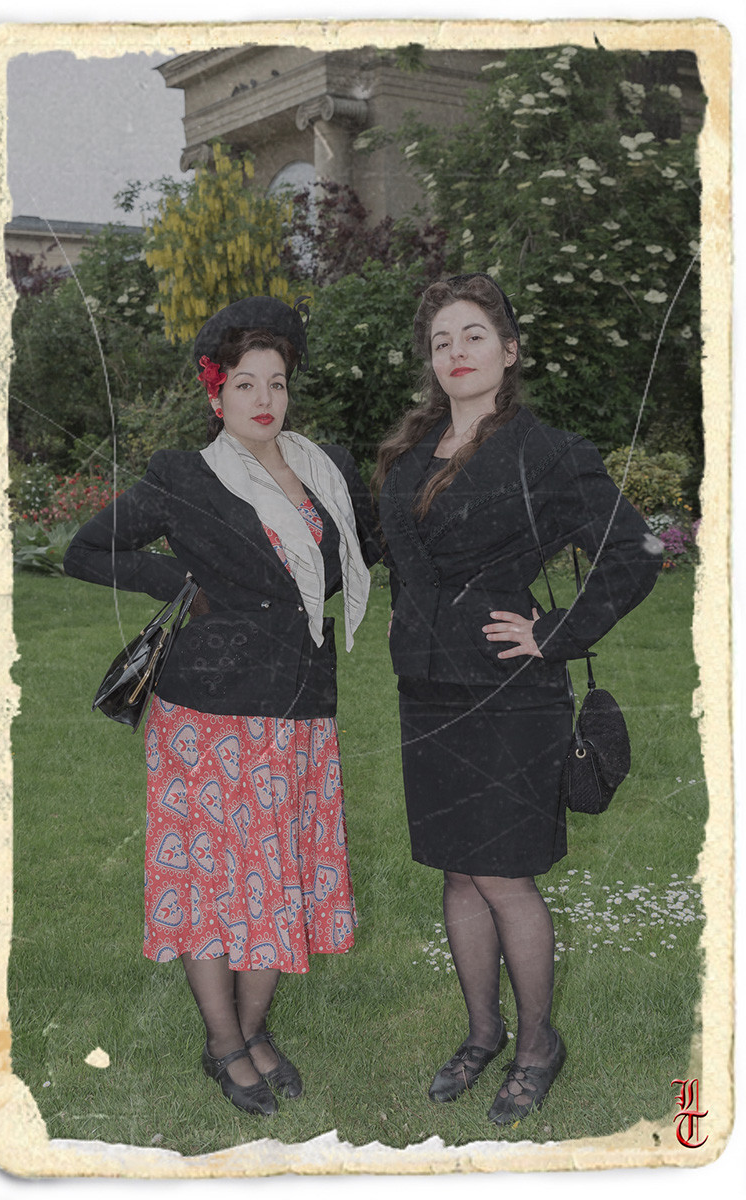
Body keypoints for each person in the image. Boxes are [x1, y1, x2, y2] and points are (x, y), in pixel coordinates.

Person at [64, 295, 380, 1117]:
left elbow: (364, 552)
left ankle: (253, 1029)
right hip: (207, 717)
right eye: (246, 384)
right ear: (218, 395)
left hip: (300, 706)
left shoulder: (326, 472)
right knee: (213, 882)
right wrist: (178, 581)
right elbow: (85, 549)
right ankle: (223, 1043)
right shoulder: (184, 476)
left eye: (277, 383)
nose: (264, 399)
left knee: (279, 876)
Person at [374, 273, 663, 1125]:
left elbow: (636, 549)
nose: (455, 353)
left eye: (473, 336)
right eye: (441, 342)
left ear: (508, 351)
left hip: (508, 694)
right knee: (459, 871)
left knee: (504, 876)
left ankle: (538, 1044)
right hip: (427, 692)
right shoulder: (412, 450)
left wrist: (558, 631)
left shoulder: (549, 453)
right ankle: (482, 1032)